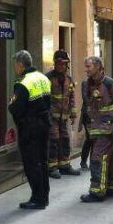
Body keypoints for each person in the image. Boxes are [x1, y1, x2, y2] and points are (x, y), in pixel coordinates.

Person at [79, 56, 113, 202]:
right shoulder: (87, 84)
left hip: (106, 130)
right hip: (94, 130)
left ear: (99, 67)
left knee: (98, 158)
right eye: (85, 66)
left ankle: (97, 191)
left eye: (89, 66)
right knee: (109, 158)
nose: (86, 69)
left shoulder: (109, 83)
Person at [8, 50, 52, 209]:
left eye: (15, 66)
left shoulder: (23, 83)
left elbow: (16, 108)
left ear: (20, 65)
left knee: (32, 163)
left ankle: (37, 199)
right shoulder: (43, 78)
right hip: (45, 125)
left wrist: (10, 106)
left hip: (29, 128)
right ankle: (44, 196)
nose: (15, 69)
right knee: (43, 161)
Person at [45, 50, 80, 178]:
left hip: (63, 118)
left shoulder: (69, 79)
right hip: (52, 117)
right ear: (55, 64)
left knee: (64, 140)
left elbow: (71, 97)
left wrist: (73, 112)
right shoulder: (48, 79)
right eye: (60, 64)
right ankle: (52, 167)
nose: (62, 67)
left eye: (65, 64)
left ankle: (64, 165)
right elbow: (44, 99)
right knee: (53, 140)